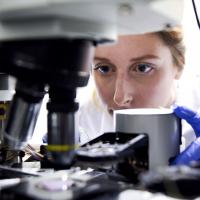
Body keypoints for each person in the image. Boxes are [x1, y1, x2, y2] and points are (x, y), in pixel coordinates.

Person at [77, 26, 200, 165]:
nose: (120, 98)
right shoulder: (81, 119)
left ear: (179, 65)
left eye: (143, 68)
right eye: (104, 68)